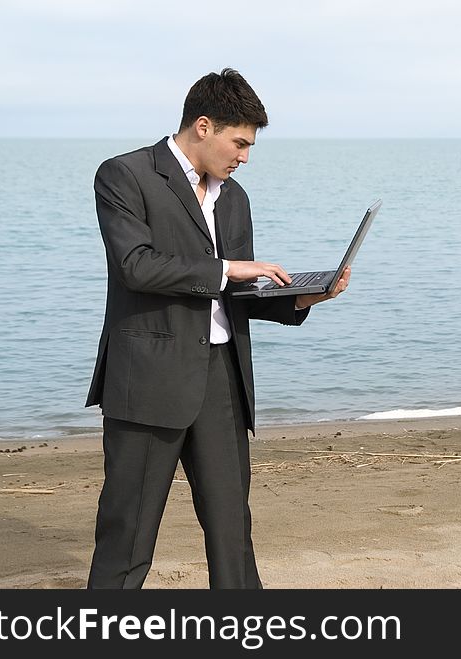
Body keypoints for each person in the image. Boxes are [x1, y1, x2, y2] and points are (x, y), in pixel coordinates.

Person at [84, 68, 350, 589]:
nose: (245, 157)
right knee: (129, 531)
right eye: (240, 143)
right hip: (148, 380)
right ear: (203, 126)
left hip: (222, 380)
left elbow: (236, 296)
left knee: (232, 529)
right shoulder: (124, 175)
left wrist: (301, 297)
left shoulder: (235, 198)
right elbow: (136, 265)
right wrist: (228, 268)